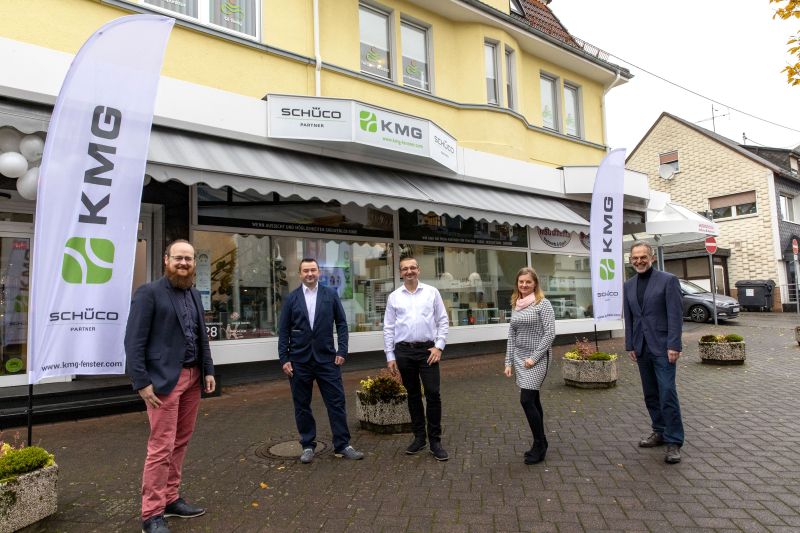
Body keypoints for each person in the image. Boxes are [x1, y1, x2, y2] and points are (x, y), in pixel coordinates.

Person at [125, 239, 216, 533]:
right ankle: (151, 514)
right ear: (166, 260)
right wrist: (141, 382)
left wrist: (208, 370)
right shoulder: (149, 293)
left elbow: (201, 336)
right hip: (164, 382)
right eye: (178, 258)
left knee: (180, 442)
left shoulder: (193, 294)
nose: (184, 264)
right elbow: (133, 342)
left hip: (192, 379)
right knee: (161, 447)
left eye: (189, 259)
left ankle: (170, 498)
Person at [278, 258, 364, 463]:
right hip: (299, 361)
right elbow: (283, 331)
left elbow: (342, 324)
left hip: (327, 359)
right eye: (306, 270)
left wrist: (342, 350)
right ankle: (307, 445)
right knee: (302, 405)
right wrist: (284, 359)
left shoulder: (330, 295)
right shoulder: (292, 299)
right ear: (300, 274)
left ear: (319, 273)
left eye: (313, 270)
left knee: (336, 402)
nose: (310, 273)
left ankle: (342, 444)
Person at [623, 241, 685, 464]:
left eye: (643, 257)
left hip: (663, 347)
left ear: (652, 258)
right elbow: (629, 318)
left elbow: (675, 315)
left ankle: (674, 440)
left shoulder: (668, 281)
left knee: (667, 392)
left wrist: (674, 344)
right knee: (650, 393)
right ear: (631, 260)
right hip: (641, 347)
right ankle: (659, 431)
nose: (639, 261)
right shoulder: (628, 285)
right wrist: (630, 344)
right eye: (635, 258)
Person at [383, 256, 450, 461]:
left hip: (427, 351)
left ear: (418, 270)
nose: (409, 271)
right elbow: (388, 327)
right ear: (400, 272)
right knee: (412, 395)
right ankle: (419, 438)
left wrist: (439, 347)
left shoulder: (432, 292)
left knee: (433, 394)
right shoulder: (394, 297)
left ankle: (435, 441)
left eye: (413, 268)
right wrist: (390, 355)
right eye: (405, 269)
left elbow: (443, 320)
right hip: (403, 352)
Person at [503, 267, 555, 465]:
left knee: (526, 400)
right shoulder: (516, 304)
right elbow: (512, 335)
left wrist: (534, 357)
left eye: (528, 282)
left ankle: (539, 443)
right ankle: (541, 443)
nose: (524, 285)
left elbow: (550, 334)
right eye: (521, 282)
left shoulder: (543, 304)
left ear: (535, 284)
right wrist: (508, 362)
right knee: (534, 400)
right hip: (519, 357)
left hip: (538, 358)